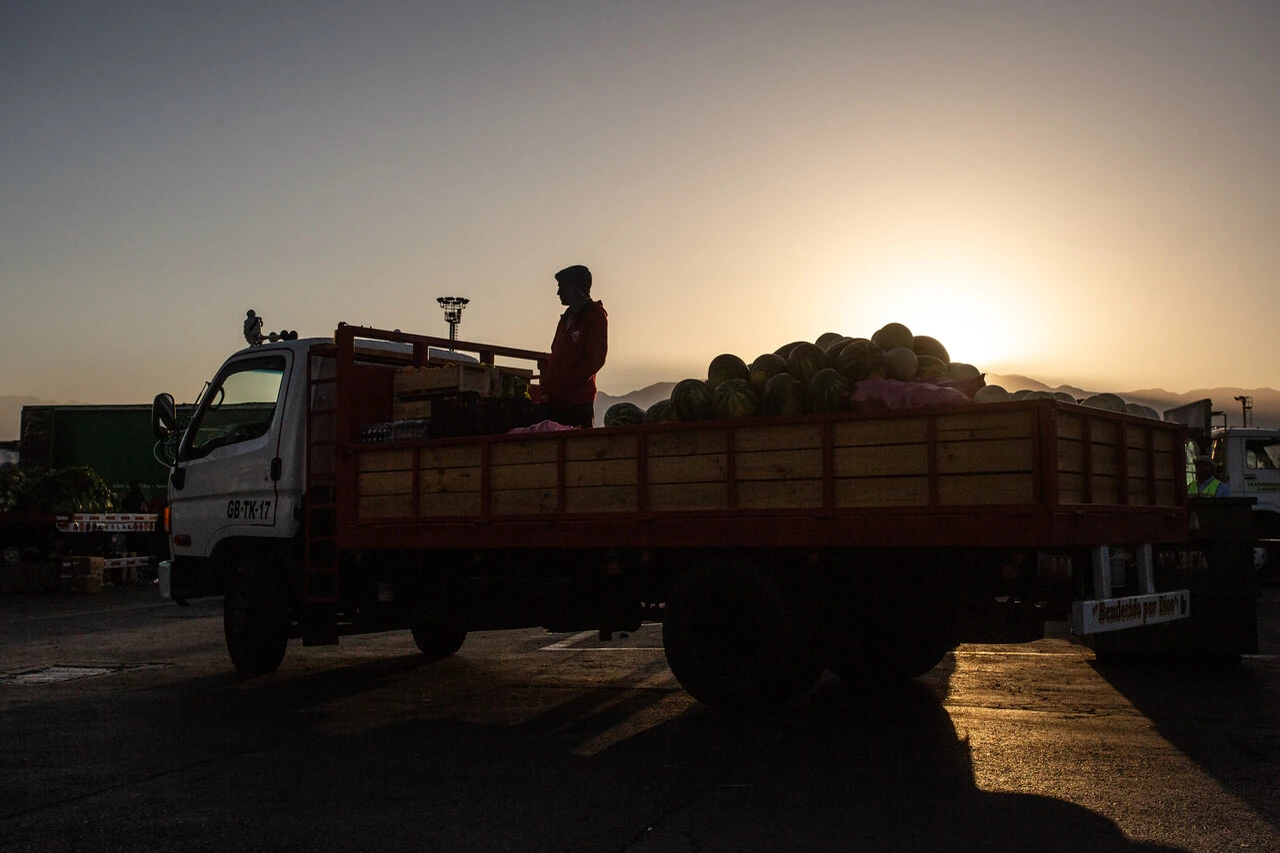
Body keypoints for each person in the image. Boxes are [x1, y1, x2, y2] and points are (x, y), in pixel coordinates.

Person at [540, 264, 608, 428]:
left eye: (561, 287)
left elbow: (596, 358)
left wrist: (567, 385)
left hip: (578, 401)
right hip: (556, 401)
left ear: (572, 287)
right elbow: (554, 355)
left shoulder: (595, 315)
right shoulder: (565, 319)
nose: (558, 293)